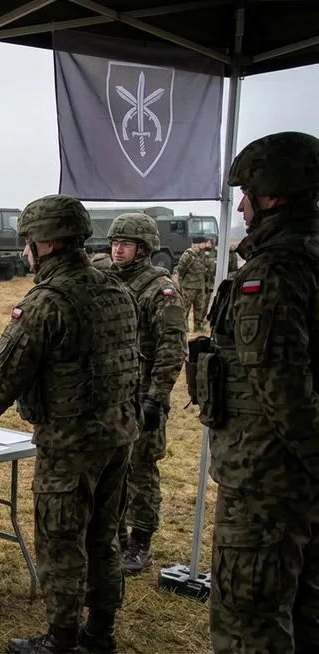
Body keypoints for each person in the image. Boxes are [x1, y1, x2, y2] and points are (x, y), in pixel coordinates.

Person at [0, 194, 141, 654]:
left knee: (62, 541)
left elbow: (1, 382)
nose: (25, 249)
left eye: (28, 241)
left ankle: (61, 640)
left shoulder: (46, 303)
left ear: (44, 245)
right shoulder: (116, 289)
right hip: (119, 436)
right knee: (104, 538)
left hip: (70, 444)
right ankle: (101, 632)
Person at [196, 130, 319, 653]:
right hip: (300, 480)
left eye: (246, 193)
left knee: (249, 621)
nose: (241, 205)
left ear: (272, 195)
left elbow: (285, 395)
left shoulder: (270, 277)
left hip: (268, 480)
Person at [104, 213, 187, 575]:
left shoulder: (160, 289)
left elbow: (172, 348)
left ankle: (140, 543)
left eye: (125, 244)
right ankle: (115, 537)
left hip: (142, 396)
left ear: (143, 249)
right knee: (112, 470)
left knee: (141, 471)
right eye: (115, 243)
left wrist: (156, 397)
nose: (117, 249)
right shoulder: (107, 281)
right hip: (112, 394)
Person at [175, 236, 216, 332]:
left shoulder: (202, 254)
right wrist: (181, 281)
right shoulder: (189, 254)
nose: (206, 245)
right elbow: (181, 268)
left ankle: (198, 327)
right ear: (199, 243)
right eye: (204, 243)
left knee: (199, 308)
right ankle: (184, 328)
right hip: (189, 287)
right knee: (185, 308)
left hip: (200, 287)